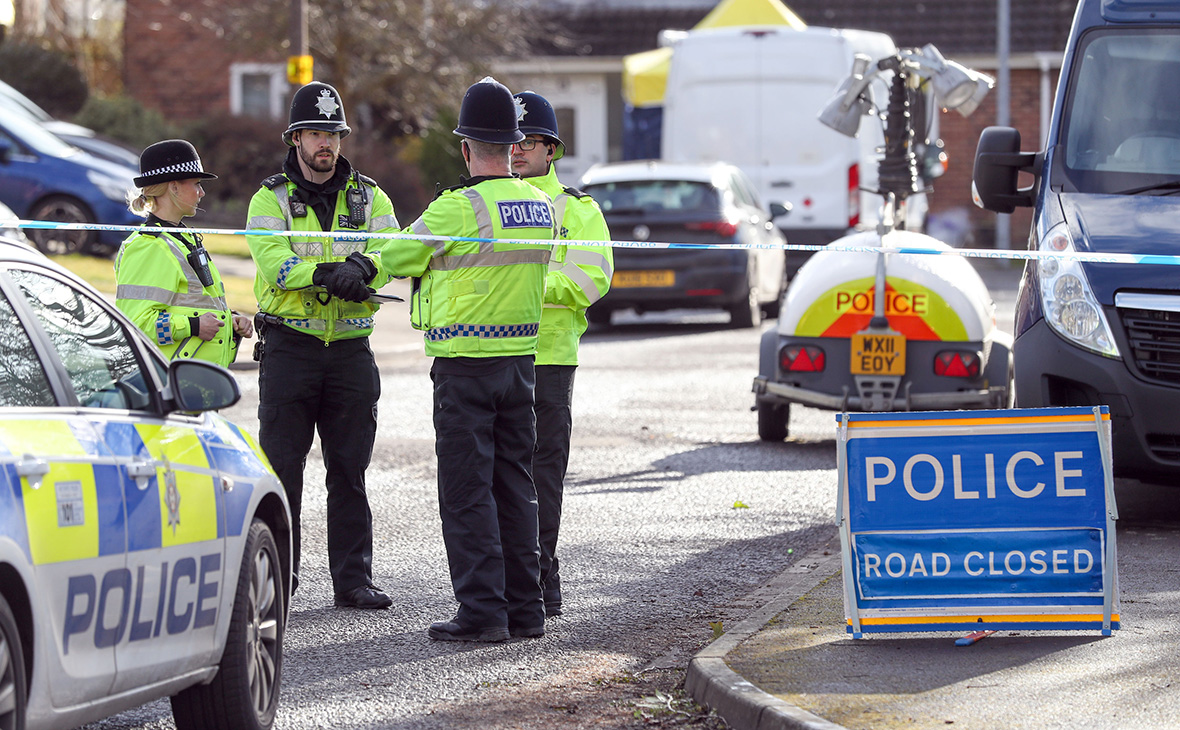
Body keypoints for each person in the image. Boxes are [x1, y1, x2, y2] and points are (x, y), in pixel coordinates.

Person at [380, 77, 555, 642]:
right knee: (515, 485)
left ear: (464, 147)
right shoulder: (541, 206)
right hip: (521, 363)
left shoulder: (458, 207)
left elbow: (398, 253)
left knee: (466, 492)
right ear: (513, 146)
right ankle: (526, 610)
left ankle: (482, 613)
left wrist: (358, 266)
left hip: (464, 365)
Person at [245, 81, 399, 610]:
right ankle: (277, 581)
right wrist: (329, 275)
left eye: (332, 133)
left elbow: (393, 249)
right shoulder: (269, 199)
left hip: (352, 352)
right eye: (314, 133)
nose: (325, 143)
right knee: (283, 470)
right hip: (291, 350)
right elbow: (276, 265)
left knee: (349, 472)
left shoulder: (371, 196)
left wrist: (364, 267)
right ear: (294, 138)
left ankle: (353, 581)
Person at [511, 91, 613, 618]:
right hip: (495, 353)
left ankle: (542, 579)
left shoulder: (577, 209)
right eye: (513, 141)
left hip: (549, 357)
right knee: (499, 476)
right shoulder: (485, 202)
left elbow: (592, 277)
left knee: (542, 476)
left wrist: (525, 285)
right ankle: (514, 582)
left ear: (551, 149)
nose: (519, 151)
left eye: (530, 142)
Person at [116, 139, 253, 367]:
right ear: (174, 187)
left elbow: (197, 304)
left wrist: (230, 320)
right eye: (196, 183)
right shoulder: (150, 247)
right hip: (170, 383)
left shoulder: (182, 239)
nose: (202, 192)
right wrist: (193, 326)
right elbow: (135, 324)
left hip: (194, 379)